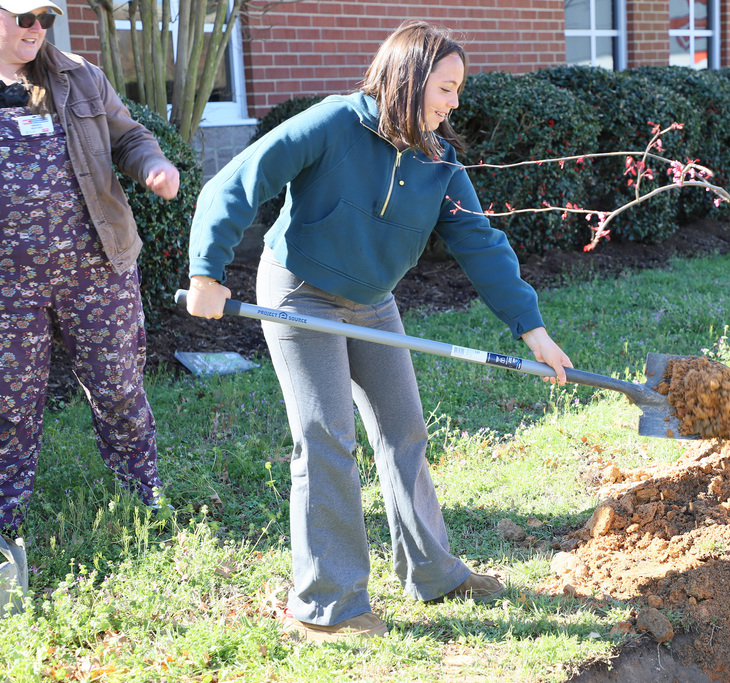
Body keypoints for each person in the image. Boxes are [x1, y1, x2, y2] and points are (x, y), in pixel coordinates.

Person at [186, 20, 572, 642]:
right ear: (409, 78)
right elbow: (238, 181)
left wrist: (532, 328)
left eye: (457, 92)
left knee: (405, 430)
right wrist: (207, 271)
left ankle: (433, 571)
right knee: (327, 437)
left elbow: (482, 244)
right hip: (299, 291)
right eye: (445, 88)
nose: (452, 105)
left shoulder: (439, 161)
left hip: (371, 301)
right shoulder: (335, 123)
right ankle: (327, 605)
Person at [0, 0, 181, 613]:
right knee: (8, 401)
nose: (36, 31)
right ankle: (4, 525)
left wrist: (152, 164)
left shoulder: (78, 75)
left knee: (119, 384)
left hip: (95, 267)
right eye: (23, 18)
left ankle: (143, 495)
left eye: (44, 21)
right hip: (7, 289)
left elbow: (128, 135)